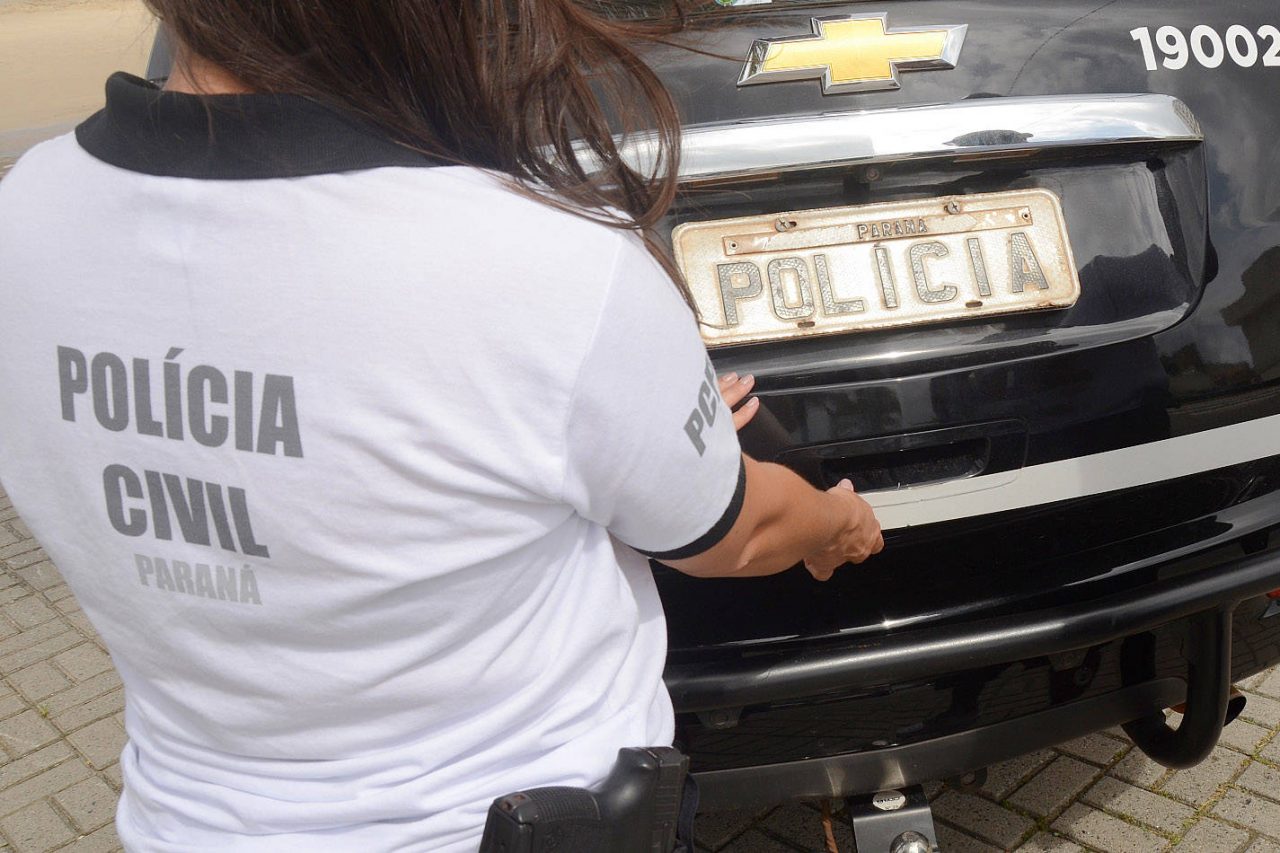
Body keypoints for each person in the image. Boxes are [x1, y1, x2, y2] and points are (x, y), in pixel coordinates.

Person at [0, 1, 883, 850]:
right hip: (520, 819)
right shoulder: (538, 259)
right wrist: (835, 522)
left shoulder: (25, 217)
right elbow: (733, 534)